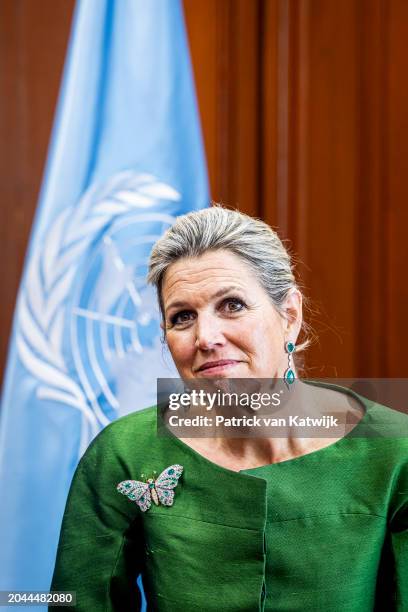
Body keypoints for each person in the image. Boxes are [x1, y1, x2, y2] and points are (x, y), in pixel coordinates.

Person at [50, 206, 407, 611]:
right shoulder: (125, 453)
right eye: (182, 316)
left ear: (289, 316)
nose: (206, 337)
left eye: (232, 305)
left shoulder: (395, 454)